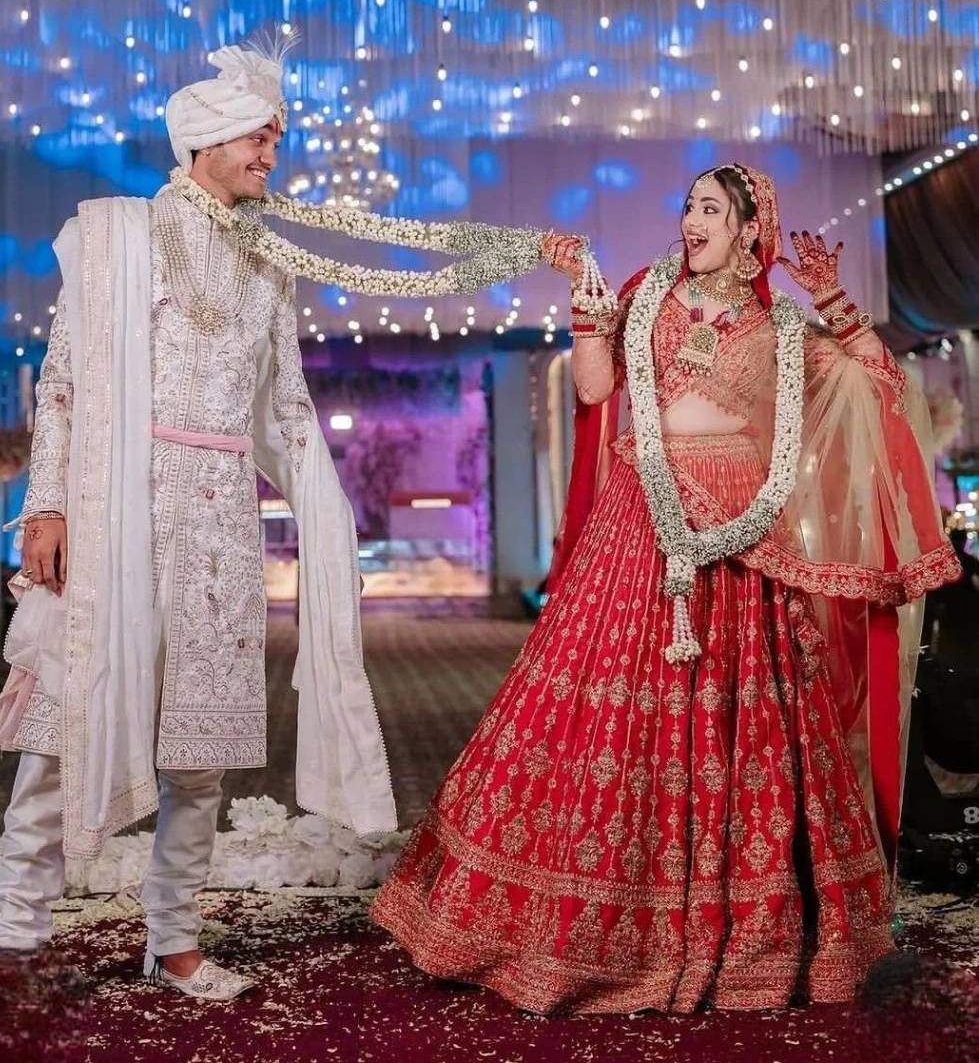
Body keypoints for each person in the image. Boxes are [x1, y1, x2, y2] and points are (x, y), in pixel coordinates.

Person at [371, 163, 959, 1014]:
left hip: (740, 543)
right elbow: (594, 389)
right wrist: (582, 297)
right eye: (687, 204)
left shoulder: (783, 331)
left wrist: (835, 303)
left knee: (738, 721)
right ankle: (578, 926)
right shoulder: (647, 298)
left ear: (752, 229)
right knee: (598, 713)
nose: (691, 219)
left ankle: (743, 932)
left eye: (711, 208)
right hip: (636, 524)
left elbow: (879, 386)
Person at [0, 39, 397, 999]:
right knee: (61, 721)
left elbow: (286, 409)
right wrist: (45, 503)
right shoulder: (115, 237)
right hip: (115, 503)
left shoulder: (269, 266)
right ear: (204, 140)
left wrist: (325, 520)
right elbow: (66, 383)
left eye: (275, 138)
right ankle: (15, 925)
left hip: (218, 524)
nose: (271, 153)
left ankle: (173, 941)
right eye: (260, 136)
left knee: (203, 754)